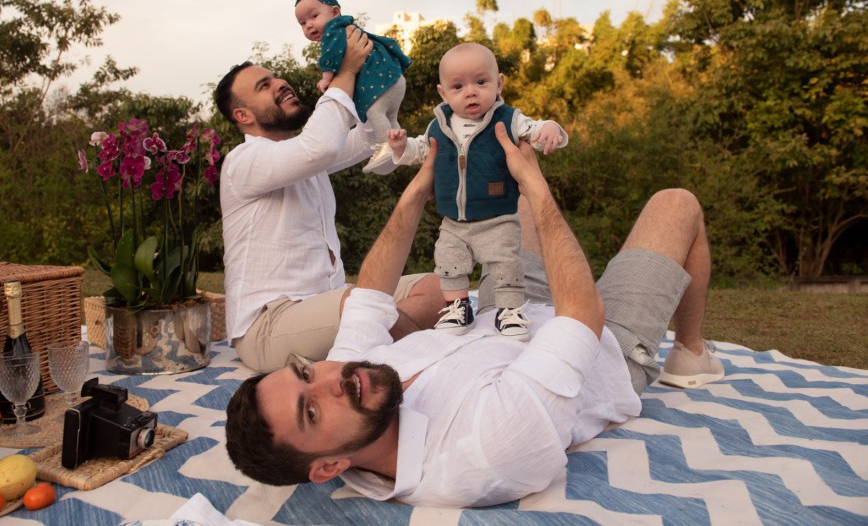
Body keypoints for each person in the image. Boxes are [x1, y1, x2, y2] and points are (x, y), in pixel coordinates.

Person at [225, 122, 726, 508]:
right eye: (310, 412)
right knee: (675, 204)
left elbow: (369, 296)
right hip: (605, 344)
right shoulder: (485, 450)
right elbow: (581, 318)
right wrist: (537, 187)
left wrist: (421, 187)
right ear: (329, 467)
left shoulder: (356, 384)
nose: (329, 382)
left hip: (502, 312)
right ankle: (691, 352)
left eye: (306, 373)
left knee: (508, 205)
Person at [214, 25, 444, 374]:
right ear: (243, 116)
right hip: (268, 326)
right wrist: (346, 71)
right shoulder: (242, 163)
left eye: (276, 77)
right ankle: (432, 367)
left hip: (331, 304)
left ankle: (358, 344)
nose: (280, 83)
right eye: (264, 86)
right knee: (365, 304)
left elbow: (366, 139)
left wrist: (371, 83)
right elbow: (319, 146)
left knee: (440, 289)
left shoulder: (301, 157)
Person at [387, 42, 567, 341]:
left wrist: (551, 128)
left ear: (499, 84)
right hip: (453, 220)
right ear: (443, 93)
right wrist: (399, 147)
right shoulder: (438, 126)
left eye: (480, 82)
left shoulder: (509, 119)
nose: (470, 91)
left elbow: (535, 130)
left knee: (506, 263)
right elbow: (419, 151)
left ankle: (509, 310)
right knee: (449, 263)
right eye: (457, 86)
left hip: (498, 215)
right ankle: (458, 308)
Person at [295, 0, 410, 174]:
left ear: (334, 12)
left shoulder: (334, 31)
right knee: (390, 118)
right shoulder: (346, 27)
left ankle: (386, 148)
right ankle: (399, 148)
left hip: (383, 85)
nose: (309, 25)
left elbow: (330, 56)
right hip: (395, 80)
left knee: (375, 111)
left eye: (314, 16)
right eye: (302, 23)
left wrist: (326, 78)